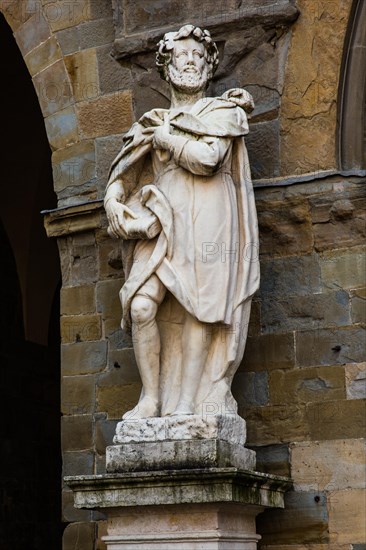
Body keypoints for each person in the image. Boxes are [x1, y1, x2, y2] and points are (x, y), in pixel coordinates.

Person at [104, 24, 259, 419]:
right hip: (163, 216)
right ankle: (151, 398)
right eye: (181, 56)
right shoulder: (150, 120)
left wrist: (167, 140)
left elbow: (208, 161)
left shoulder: (224, 112)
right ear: (167, 68)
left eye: (197, 57)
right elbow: (122, 174)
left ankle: (189, 400)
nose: (189, 62)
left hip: (210, 212)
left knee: (199, 308)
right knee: (141, 305)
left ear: (209, 68)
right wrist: (113, 201)